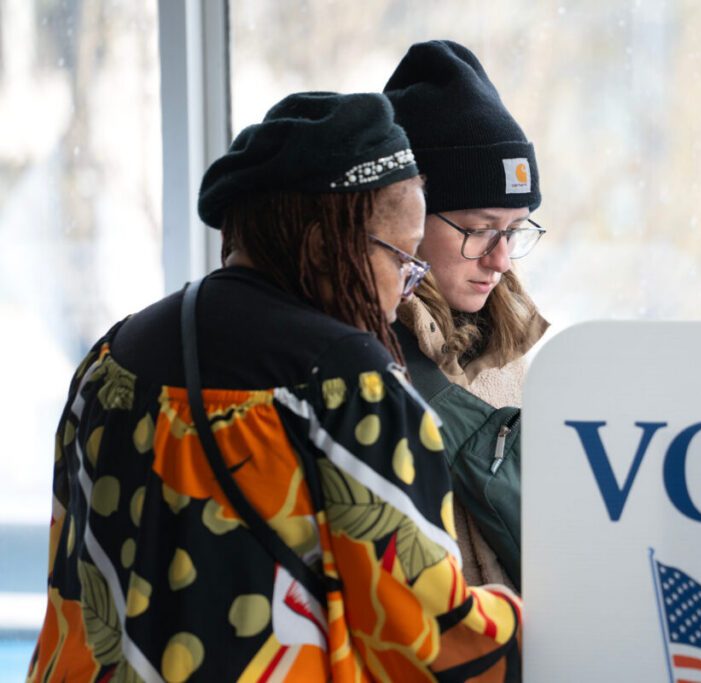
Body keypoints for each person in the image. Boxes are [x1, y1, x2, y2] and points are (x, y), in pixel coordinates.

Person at [28, 91, 520, 682]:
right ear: (325, 246)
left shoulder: (113, 355)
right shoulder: (351, 389)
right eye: (401, 258)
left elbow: (71, 580)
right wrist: (529, 616)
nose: (405, 288)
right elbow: (422, 638)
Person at [384, 41, 549, 588]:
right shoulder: (358, 354)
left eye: (515, 231)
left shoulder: (510, 342)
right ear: (406, 219)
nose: (501, 260)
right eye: (480, 230)